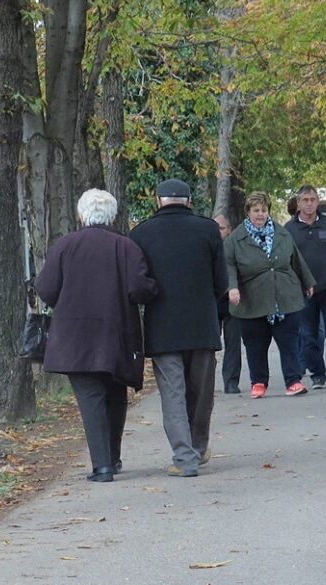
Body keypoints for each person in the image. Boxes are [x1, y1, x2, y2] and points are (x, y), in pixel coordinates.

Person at [35, 189, 158, 483]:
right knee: (116, 394)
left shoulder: (65, 246)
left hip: (74, 336)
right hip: (117, 332)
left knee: (90, 397)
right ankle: (112, 458)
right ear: (112, 215)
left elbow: (46, 288)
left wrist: (68, 305)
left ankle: (102, 466)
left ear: (81, 215)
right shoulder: (125, 247)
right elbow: (140, 289)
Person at [129, 179, 227, 477]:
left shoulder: (140, 233)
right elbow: (221, 282)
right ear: (188, 201)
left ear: (158, 201)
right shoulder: (208, 229)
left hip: (162, 327)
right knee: (200, 392)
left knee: (172, 393)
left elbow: (138, 285)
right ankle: (197, 448)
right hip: (202, 325)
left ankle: (184, 459)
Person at [225, 191, 315, 399]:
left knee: (289, 342)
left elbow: (297, 260)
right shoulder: (235, 239)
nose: (260, 214)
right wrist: (232, 287)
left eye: (264, 210)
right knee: (255, 343)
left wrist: (307, 282)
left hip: (284, 296)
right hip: (252, 300)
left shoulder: (282, 233)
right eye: (256, 210)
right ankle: (258, 382)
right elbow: (227, 265)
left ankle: (293, 381)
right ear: (248, 212)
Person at [285, 185, 326, 389]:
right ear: (298, 203)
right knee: (308, 334)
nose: (309, 203)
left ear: (317, 202)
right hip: (304, 291)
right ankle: (317, 374)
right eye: (305, 200)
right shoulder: (289, 229)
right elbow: (286, 260)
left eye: (313, 199)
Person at [213, 214, 243, 394]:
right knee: (209, 345)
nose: (218, 232)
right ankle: (206, 381)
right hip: (212, 302)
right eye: (215, 228)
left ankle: (231, 381)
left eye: (222, 228)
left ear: (229, 229)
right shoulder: (205, 247)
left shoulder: (236, 248)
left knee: (233, 342)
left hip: (232, 301)